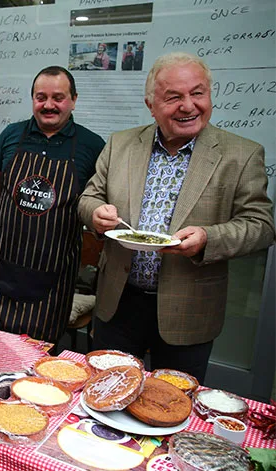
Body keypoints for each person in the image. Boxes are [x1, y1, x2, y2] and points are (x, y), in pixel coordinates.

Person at [78, 52, 275, 383]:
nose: (188, 106)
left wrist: (208, 239)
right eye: (174, 97)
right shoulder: (121, 144)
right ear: (151, 105)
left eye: (197, 93)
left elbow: (262, 226)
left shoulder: (241, 154)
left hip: (189, 308)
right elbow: (90, 197)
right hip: (118, 303)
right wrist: (95, 214)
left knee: (173, 406)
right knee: (107, 393)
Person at [0, 66, 105, 342]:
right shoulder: (12, 135)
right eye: (41, 97)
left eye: (58, 98)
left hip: (54, 275)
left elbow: (96, 199)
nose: (49, 105)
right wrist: (18, 216)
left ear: (74, 100)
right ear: (32, 100)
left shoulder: (91, 145)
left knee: (41, 357)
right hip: (2, 266)